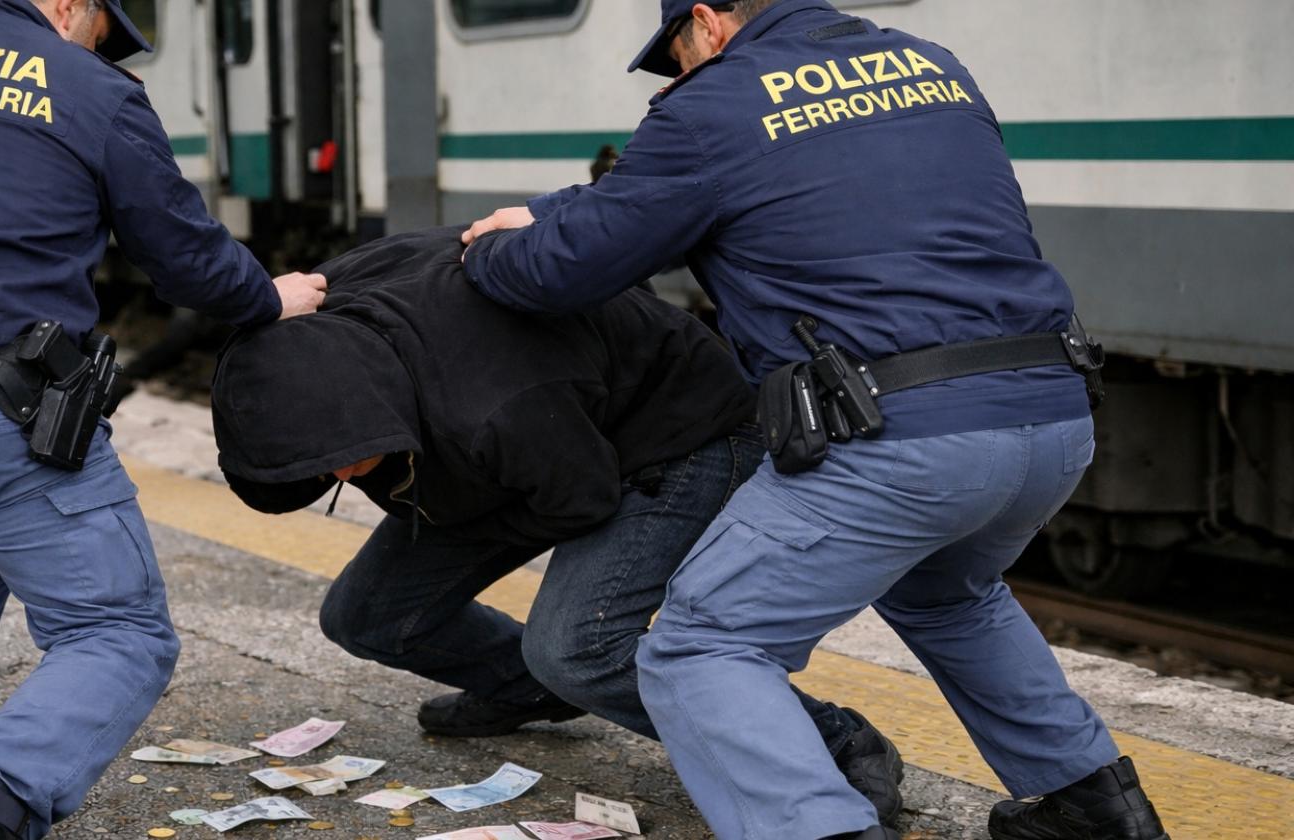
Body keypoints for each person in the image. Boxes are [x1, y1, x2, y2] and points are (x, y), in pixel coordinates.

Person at [458, 2, 1168, 839]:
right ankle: (1093, 806)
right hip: (1050, 412)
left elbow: (563, 270)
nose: (682, 70)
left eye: (678, 52)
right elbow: (813, 181)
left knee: (701, 647)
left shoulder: (713, 103)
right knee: (949, 592)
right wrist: (565, 206)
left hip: (901, 436)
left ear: (708, 22)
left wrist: (491, 246)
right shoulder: (930, 63)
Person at [0, 0, 326, 835]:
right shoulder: (87, 87)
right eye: (100, 33)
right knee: (118, 634)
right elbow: (181, 255)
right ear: (72, 5)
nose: (92, 48)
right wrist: (266, 296)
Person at [211, 226, 905, 823]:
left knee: (577, 649)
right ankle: (528, 689)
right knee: (365, 619)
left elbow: (580, 502)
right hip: (531, 449)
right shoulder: (320, 320)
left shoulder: (495, 410)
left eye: (346, 458)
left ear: (371, 404)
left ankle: (830, 740)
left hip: (675, 437)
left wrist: (448, 497)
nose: (338, 478)